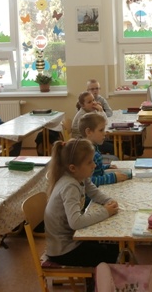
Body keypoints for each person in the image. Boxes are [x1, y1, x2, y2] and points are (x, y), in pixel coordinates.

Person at [44, 138, 120, 267]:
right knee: (111, 254)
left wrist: (109, 201)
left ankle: (99, 276)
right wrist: (106, 212)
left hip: (72, 240)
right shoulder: (70, 186)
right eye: (89, 162)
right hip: (64, 250)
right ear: (73, 168)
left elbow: (94, 192)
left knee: (113, 243)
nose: (94, 165)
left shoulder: (80, 176)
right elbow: (76, 222)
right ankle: (99, 278)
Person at [79, 112, 130, 186]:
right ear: (88, 132)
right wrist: (113, 177)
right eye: (101, 130)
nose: (104, 133)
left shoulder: (94, 147)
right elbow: (89, 181)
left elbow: (96, 169)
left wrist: (106, 167)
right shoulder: (87, 154)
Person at [71, 91, 114, 156]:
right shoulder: (83, 116)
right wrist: (100, 111)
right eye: (89, 102)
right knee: (112, 147)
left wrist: (101, 110)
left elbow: (104, 122)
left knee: (114, 142)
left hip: (92, 138)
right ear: (82, 105)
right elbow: (102, 123)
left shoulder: (92, 110)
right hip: (82, 143)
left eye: (93, 100)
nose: (93, 103)